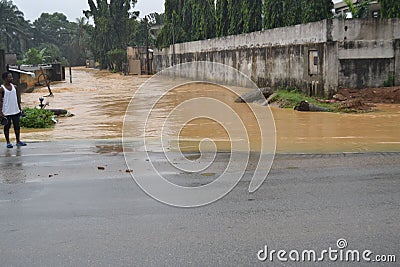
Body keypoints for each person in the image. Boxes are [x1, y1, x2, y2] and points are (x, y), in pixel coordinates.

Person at [0, 71, 27, 148]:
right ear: (5, 79)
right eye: (9, 77)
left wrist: (19, 108)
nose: (11, 78)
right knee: (7, 127)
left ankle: (18, 141)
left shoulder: (15, 87)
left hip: (15, 110)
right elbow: (0, 101)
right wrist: (1, 112)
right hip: (6, 111)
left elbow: (17, 99)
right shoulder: (2, 89)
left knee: (17, 126)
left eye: (11, 77)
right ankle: (8, 142)